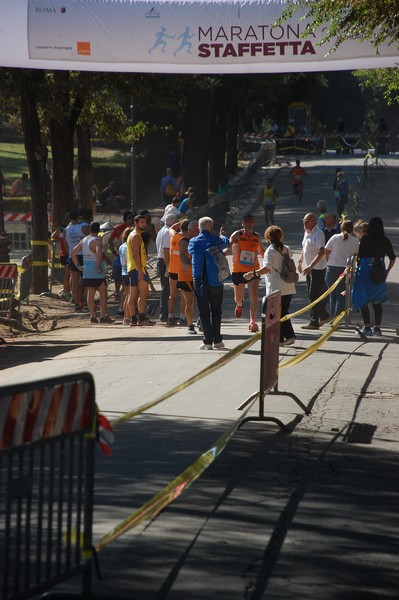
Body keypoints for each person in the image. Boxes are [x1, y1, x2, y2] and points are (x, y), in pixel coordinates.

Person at [244, 225, 297, 346]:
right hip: (288, 285)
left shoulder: (270, 251)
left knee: (276, 313)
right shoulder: (286, 248)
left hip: (275, 286)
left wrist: (253, 273)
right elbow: (291, 256)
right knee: (283, 312)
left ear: (268, 237)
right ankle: (286, 336)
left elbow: (267, 268)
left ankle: (284, 337)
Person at [188, 217, 229, 350]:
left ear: (199, 228)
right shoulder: (215, 239)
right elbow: (226, 243)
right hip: (215, 278)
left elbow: (190, 253)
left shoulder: (193, 241)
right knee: (216, 310)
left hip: (199, 279)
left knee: (203, 311)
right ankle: (217, 340)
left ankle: (207, 341)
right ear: (211, 228)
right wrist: (222, 235)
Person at [352, 216, 396, 336]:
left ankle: (367, 327)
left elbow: (360, 256)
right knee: (377, 301)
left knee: (363, 299)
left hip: (365, 270)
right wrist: (387, 270)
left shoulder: (365, 239)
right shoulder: (385, 240)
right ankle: (377, 328)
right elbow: (392, 258)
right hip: (379, 269)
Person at [71, 221, 113, 324]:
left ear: (90, 229)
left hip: (87, 270)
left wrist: (78, 266)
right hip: (96, 270)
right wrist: (99, 266)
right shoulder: (97, 241)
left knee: (90, 292)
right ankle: (103, 315)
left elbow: (73, 253)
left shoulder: (84, 240)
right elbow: (99, 254)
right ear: (99, 230)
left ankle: (92, 315)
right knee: (103, 292)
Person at [229, 214, 264, 333]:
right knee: (238, 297)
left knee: (254, 295)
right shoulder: (238, 234)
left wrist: (270, 263)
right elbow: (229, 245)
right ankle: (239, 304)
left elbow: (262, 251)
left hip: (253, 269)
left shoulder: (257, 236)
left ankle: (252, 322)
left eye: (250, 222)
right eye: (246, 222)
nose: (248, 224)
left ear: (253, 223)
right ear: (242, 223)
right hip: (238, 269)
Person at [298, 213, 330, 330]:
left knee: (314, 294)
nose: (304, 223)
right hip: (310, 268)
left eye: (307, 221)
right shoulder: (307, 232)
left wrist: (311, 266)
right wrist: (300, 261)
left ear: (314, 222)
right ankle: (324, 315)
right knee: (311, 293)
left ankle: (314, 321)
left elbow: (322, 251)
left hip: (318, 268)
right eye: (304, 220)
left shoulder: (318, 233)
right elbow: (304, 248)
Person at [325, 220, 359, 318]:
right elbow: (356, 254)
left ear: (341, 228)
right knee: (341, 295)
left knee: (332, 295)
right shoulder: (355, 240)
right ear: (352, 229)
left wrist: (328, 261)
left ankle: (333, 317)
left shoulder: (335, 237)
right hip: (345, 269)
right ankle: (337, 318)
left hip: (332, 268)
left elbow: (326, 250)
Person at [126, 214, 156, 326]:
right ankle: (141, 317)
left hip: (133, 268)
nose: (144, 224)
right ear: (135, 223)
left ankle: (133, 319)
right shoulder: (135, 236)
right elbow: (136, 255)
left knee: (133, 294)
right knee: (143, 293)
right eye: (141, 222)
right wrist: (140, 271)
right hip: (137, 268)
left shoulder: (135, 235)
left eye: (145, 222)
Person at [108, 211, 134, 311]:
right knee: (123, 285)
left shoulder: (133, 230)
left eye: (132, 218)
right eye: (129, 218)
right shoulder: (121, 229)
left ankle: (124, 308)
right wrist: (115, 252)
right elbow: (111, 240)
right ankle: (123, 307)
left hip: (125, 260)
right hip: (123, 260)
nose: (131, 220)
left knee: (125, 286)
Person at [64, 210, 89, 312]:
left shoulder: (66, 230)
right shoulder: (83, 226)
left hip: (72, 255)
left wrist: (71, 253)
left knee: (74, 281)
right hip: (83, 255)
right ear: (78, 217)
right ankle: (84, 299)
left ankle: (76, 303)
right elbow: (89, 239)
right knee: (84, 279)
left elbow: (66, 245)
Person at [178, 219, 200, 334]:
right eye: (197, 230)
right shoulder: (184, 241)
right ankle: (190, 325)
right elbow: (183, 258)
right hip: (185, 277)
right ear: (190, 230)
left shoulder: (199, 241)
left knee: (202, 300)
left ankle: (201, 321)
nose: (198, 232)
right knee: (190, 302)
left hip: (197, 275)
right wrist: (195, 262)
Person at [156, 213, 178, 322]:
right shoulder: (167, 233)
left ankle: (166, 312)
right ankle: (164, 313)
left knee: (167, 288)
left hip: (163, 260)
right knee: (167, 288)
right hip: (165, 261)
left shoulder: (162, 230)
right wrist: (168, 266)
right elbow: (165, 250)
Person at [51, 222, 71, 299]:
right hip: (65, 255)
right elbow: (52, 236)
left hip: (65, 254)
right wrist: (58, 230)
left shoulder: (65, 233)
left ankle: (67, 291)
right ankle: (66, 291)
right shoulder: (62, 233)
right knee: (68, 274)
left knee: (69, 274)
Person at [119, 226, 134, 326]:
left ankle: (126, 316)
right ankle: (129, 316)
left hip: (123, 272)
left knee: (127, 295)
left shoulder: (121, 246)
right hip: (129, 272)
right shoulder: (129, 247)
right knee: (130, 296)